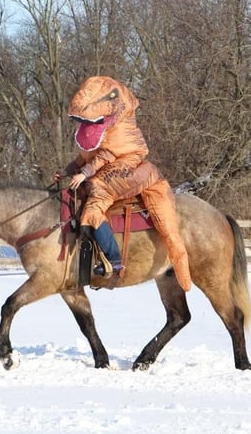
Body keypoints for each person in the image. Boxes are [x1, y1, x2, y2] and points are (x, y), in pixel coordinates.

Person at [55, 75, 192, 291]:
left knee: (94, 203)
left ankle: (113, 260)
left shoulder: (119, 129)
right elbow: (87, 156)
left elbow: (106, 154)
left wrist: (84, 173)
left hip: (127, 164)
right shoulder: (97, 130)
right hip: (112, 163)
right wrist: (68, 170)